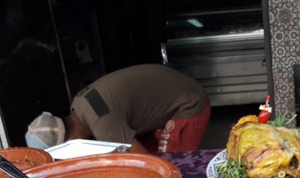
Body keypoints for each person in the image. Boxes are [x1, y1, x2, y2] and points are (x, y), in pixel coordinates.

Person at [25, 64, 211, 153]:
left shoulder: (104, 124)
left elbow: (146, 163)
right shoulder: (78, 106)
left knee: (169, 169)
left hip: (188, 104)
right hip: (169, 94)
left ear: (71, 142)